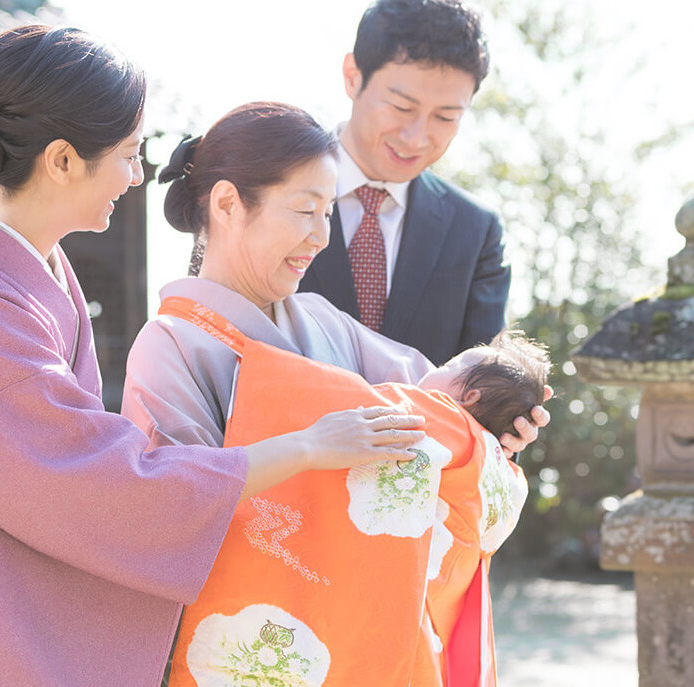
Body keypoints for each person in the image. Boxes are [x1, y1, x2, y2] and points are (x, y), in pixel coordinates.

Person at [0, 26, 426, 687]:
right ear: (63, 159)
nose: (137, 176)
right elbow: (101, 482)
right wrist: (301, 448)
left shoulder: (24, 280)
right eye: (129, 154)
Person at [122, 101, 542, 686]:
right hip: (251, 641)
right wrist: (307, 448)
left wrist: (491, 423)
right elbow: (170, 501)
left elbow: (432, 405)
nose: (320, 237)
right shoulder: (170, 343)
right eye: (304, 211)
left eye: (328, 214)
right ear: (226, 204)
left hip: (360, 634)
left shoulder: (322, 319)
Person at [298, 0, 508, 363]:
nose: (415, 137)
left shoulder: (475, 232)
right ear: (353, 76)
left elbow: (481, 385)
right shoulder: (262, 185)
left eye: (444, 117)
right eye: (401, 107)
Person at [418, 330, 551, 440]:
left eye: (446, 366)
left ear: (470, 397)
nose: (434, 368)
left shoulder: (412, 418)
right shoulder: (483, 461)